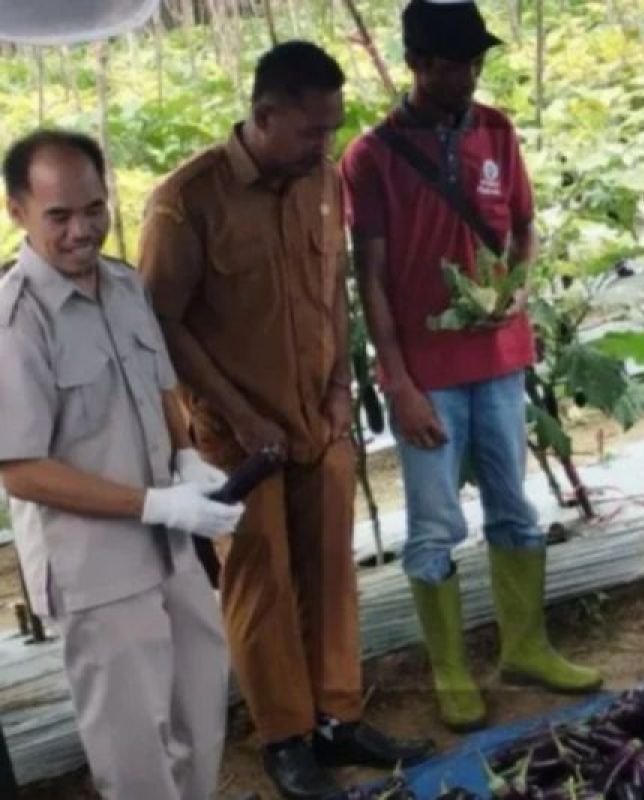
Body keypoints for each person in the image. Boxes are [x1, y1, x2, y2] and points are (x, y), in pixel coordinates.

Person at [138, 42, 433, 799]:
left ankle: (337, 718)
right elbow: (164, 325)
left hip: (318, 422)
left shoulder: (322, 180)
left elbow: (331, 290)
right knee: (260, 583)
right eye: (311, 130)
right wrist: (237, 412)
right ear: (264, 116)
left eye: (333, 129)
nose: (326, 145)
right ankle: (286, 737)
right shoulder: (186, 201)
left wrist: (339, 388)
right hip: (237, 438)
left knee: (333, 571)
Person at [340, 0, 602, 732]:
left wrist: (514, 293)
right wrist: (397, 381)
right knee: (433, 526)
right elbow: (373, 277)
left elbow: (522, 229)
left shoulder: (496, 130)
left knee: (514, 509)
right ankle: (451, 671)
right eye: (455, 65)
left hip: (499, 361)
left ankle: (526, 648)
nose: (470, 76)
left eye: (476, 62)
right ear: (419, 64)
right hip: (426, 375)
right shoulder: (371, 157)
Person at [0, 130, 240, 799]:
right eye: (59, 216)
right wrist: (154, 504)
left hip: (171, 550)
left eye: (94, 208)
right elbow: (19, 469)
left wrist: (187, 456)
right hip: (98, 572)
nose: (82, 230)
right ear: (17, 210)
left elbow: (160, 385)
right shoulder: (16, 322)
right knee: (136, 757)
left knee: (202, 716)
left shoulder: (124, 284)